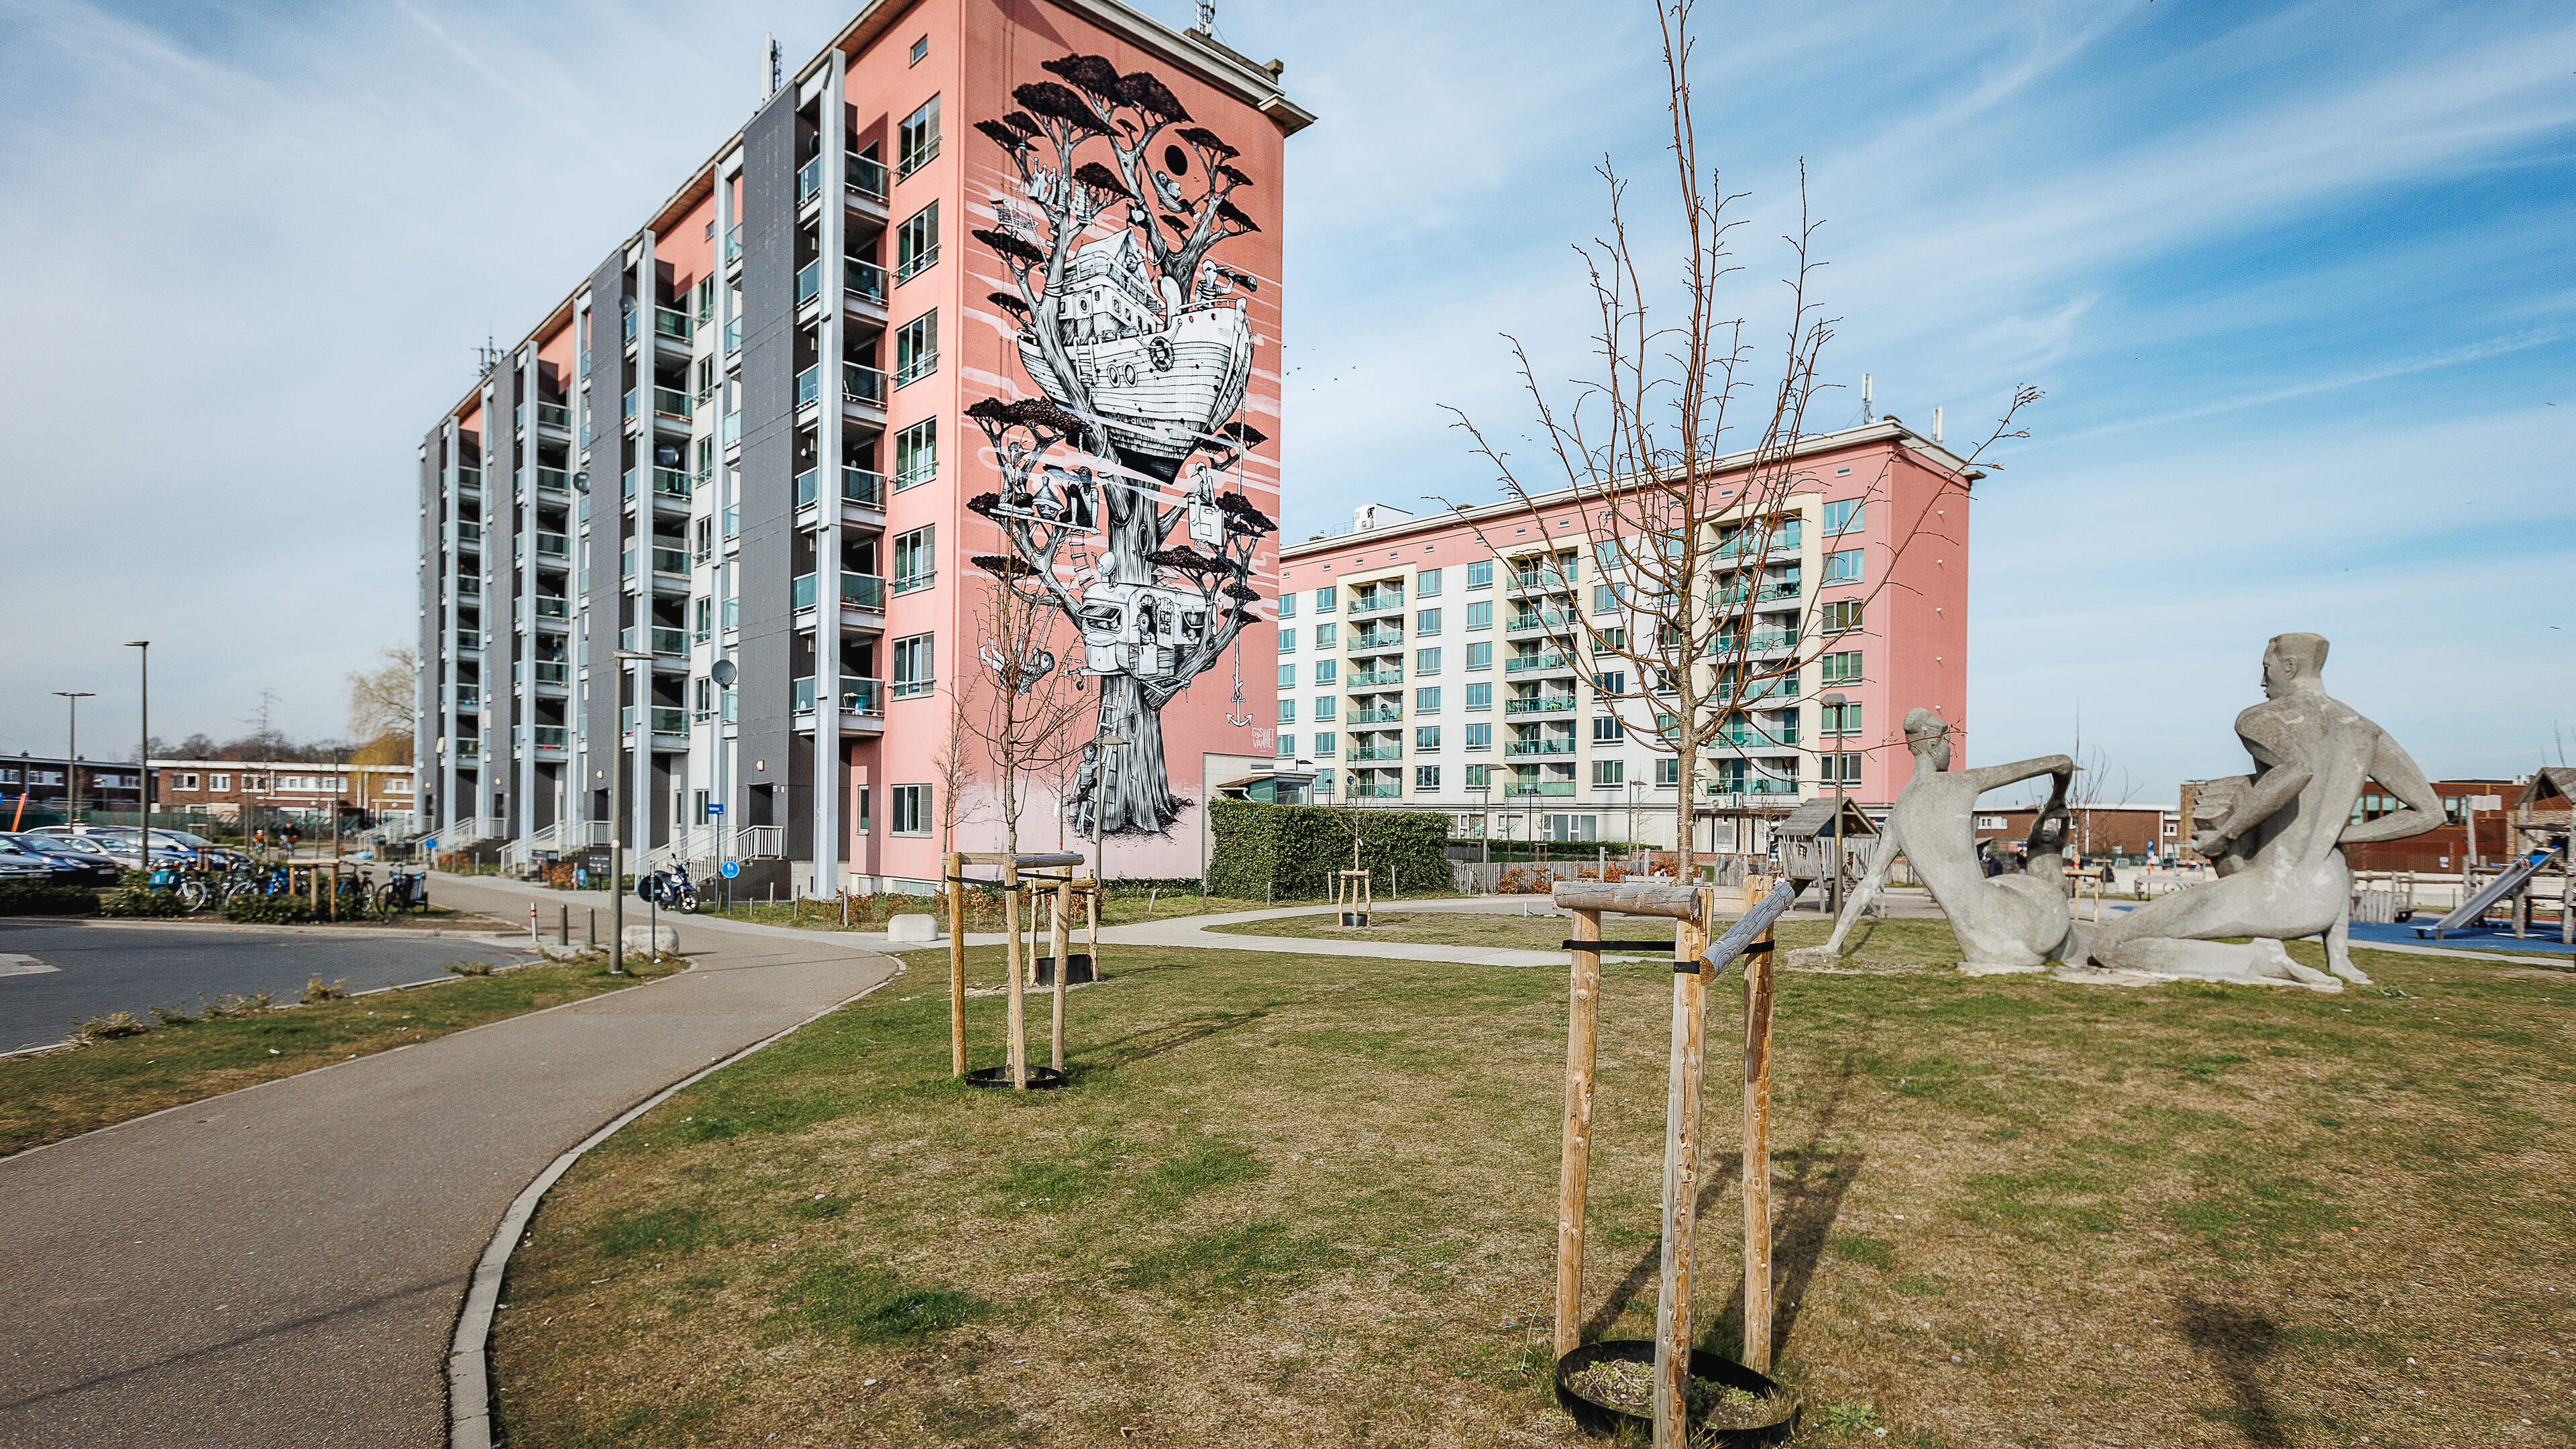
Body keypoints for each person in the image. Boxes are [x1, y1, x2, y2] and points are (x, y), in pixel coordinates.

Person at [2089, 633, 2442, 986]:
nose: (2263, 681)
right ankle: (2330, 958)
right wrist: (2337, 833)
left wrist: (2224, 835)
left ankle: (2258, 959)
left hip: (2275, 892)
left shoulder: (2262, 718)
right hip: (2329, 897)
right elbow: (2429, 812)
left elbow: (2296, 769)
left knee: (2112, 945)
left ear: (2289, 666)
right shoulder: (2362, 729)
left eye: (2266, 668)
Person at [1809, 708, 2084, 971]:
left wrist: (1833, 944)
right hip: (2006, 925)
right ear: (1931, 746)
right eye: (1947, 744)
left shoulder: (1899, 812)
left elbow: (1869, 883)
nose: (1950, 755)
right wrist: (2056, 799)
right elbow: (2062, 763)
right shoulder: (1961, 784)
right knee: (2058, 908)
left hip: (1977, 944)